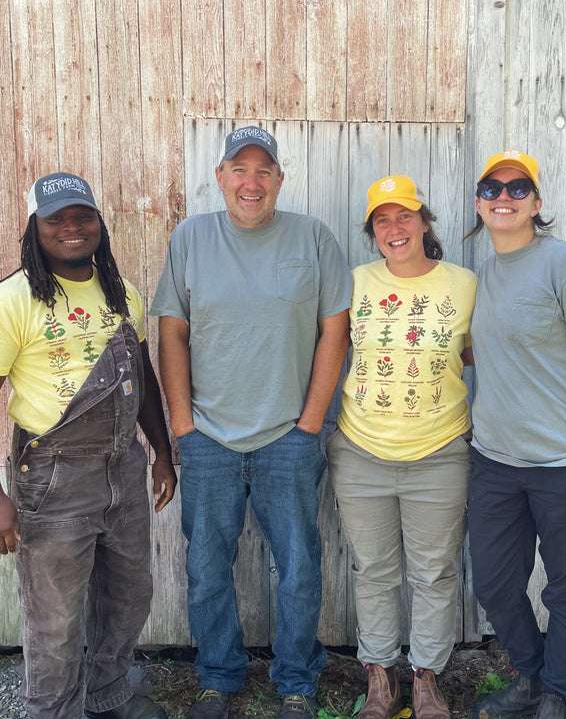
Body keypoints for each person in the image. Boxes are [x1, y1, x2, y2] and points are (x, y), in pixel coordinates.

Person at [0, 172, 176, 719]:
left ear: (100, 223)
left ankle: (105, 697)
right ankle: (53, 710)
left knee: (128, 597)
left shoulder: (119, 292)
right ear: (35, 228)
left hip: (122, 466)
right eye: (56, 219)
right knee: (56, 620)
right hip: (53, 476)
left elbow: (139, 377)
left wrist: (161, 453)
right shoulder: (8, 301)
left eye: (83, 216)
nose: (71, 228)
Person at [151, 126, 352, 719]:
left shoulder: (312, 238)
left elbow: (334, 332)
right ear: (220, 177)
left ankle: (296, 681)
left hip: (288, 436)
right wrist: (183, 426)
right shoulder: (191, 238)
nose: (251, 182)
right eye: (239, 169)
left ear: (280, 181)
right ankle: (217, 677)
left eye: (264, 171)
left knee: (297, 567)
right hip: (209, 437)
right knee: (207, 566)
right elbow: (172, 330)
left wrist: (310, 423)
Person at [465, 151, 566, 719]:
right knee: (495, 585)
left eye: (517, 187)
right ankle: (531, 678)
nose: (502, 197)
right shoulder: (482, 273)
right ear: (479, 203)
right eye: (491, 188)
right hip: (496, 464)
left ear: (536, 202)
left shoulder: (565, 266)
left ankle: (559, 694)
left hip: (565, 467)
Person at [326, 176, 477, 719]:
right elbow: (330, 350)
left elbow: (480, 353)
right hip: (361, 449)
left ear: (425, 222)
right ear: (373, 231)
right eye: (383, 220)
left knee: (434, 572)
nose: (395, 228)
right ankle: (379, 677)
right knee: (374, 570)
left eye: (405, 216)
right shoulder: (353, 283)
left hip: (439, 450)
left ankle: (427, 679)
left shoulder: (464, 284)